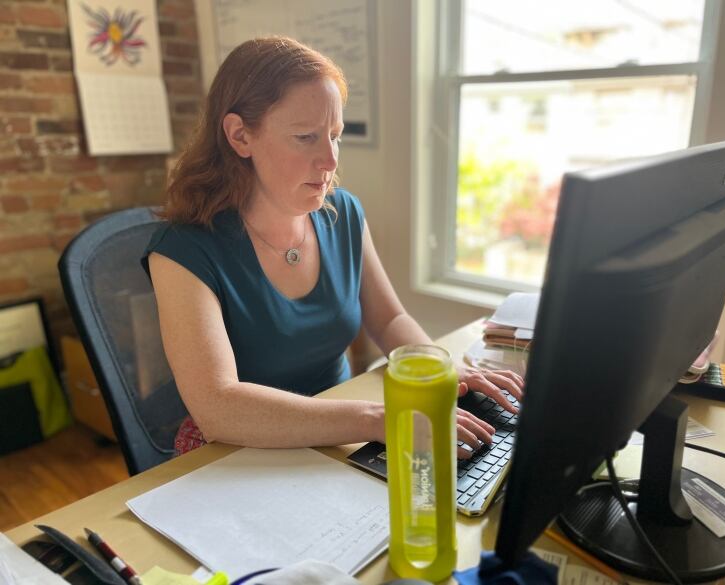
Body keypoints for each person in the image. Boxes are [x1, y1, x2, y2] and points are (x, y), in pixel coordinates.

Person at [143, 36, 524, 458]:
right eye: (305, 137)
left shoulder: (342, 213)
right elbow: (218, 406)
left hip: (337, 434)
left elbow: (390, 318)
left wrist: (439, 372)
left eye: (335, 135)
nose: (329, 160)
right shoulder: (183, 251)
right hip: (239, 451)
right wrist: (378, 420)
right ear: (240, 136)